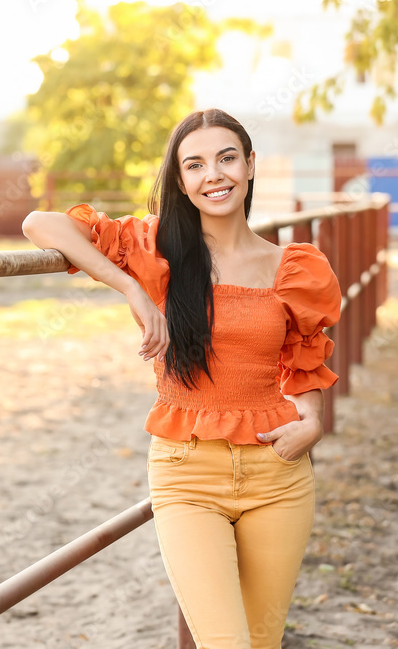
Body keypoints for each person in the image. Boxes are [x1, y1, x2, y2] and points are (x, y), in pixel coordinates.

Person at [22, 109, 341, 648]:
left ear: (250, 166)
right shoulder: (155, 250)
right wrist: (130, 288)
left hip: (279, 474)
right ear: (180, 181)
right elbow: (40, 224)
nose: (212, 175)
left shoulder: (294, 266)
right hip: (188, 476)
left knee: (262, 644)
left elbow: (304, 359)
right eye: (194, 165)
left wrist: (312, 419)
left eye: (226, 158)